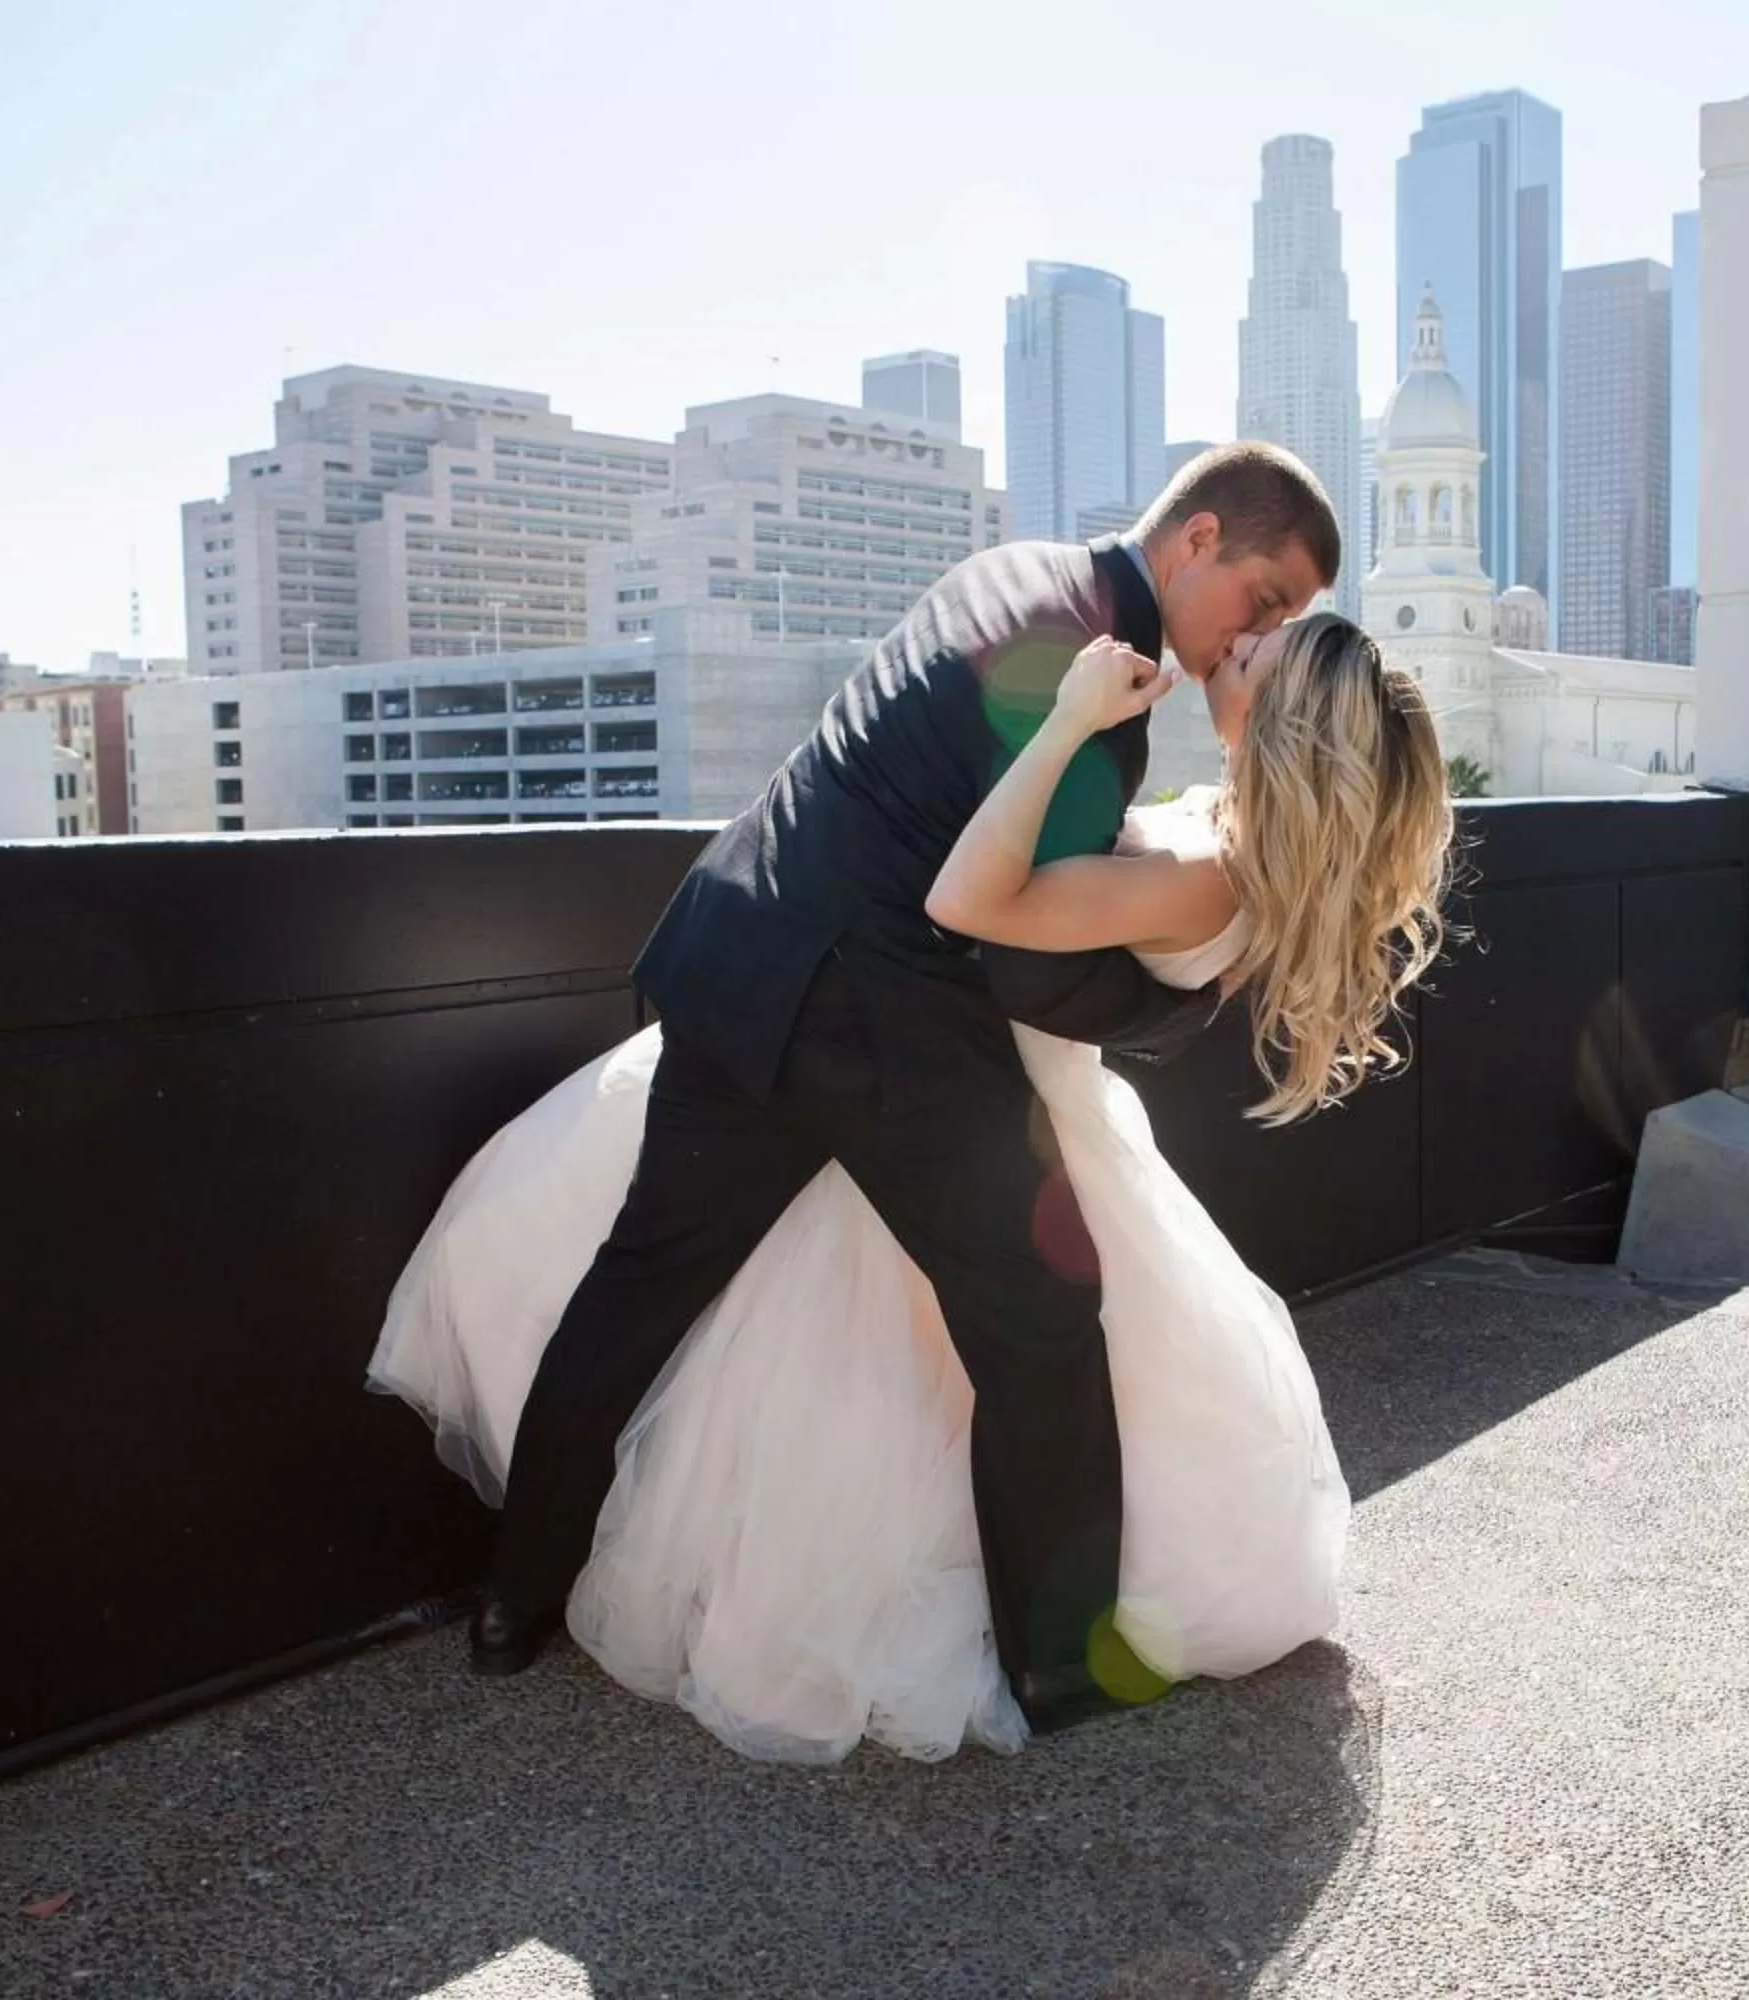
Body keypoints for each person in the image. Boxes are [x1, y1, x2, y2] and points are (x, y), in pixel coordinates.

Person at [370, 583, 1453, 1760]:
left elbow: (963, 897)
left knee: (703, 1294)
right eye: (1258, 624)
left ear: (1288, 726)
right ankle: (1054, 1657)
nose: (1238, 640)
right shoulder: (1233, 850)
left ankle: (520, 1595)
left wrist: (1068, 720)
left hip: (932, 1071)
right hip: (935, 1074)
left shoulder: (1209, 872)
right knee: (989, 1347)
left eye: (1261, 652)